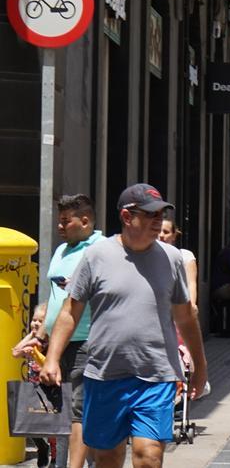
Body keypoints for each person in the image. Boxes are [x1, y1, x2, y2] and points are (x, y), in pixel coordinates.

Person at [42, 183, 207, 468]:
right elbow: (71, 311)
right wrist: (52, 359)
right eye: (151, 215)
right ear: (127, 217)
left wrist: (200, 367)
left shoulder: (172, 259)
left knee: (149, 455)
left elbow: (185, 317)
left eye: (161, 215)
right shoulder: (97, 256)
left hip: (156, 374)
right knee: (108, 457)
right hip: (105, 375)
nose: (159, 222)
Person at [43, 194, 103, 468]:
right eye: (59, 221)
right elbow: (53, 298)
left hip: (86, 341)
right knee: (64, 412)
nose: (60, 227)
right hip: (58, 344)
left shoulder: (101, 249)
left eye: (66, 222)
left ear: (86, 221)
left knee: (79, 411)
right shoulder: (62, 249)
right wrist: (40, 333)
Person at [14, 303, 53, 467]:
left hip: (50, 387)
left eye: (40, 321)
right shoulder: (32, 340)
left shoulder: (51, 341)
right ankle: (42, 447)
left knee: (53, 426)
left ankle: (56, 458)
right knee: (29, 423)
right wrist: (32, 334)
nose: (36, 323)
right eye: (34, 320)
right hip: (32, 386)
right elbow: (16, 352)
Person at [158, 218, 198, 310]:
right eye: (158, 230)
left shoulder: (185, 256)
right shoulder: (147, 256)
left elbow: (191, 283)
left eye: (166, 232)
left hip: (178, 309)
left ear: (174, 236)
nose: (161, 235)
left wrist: (191, 306)